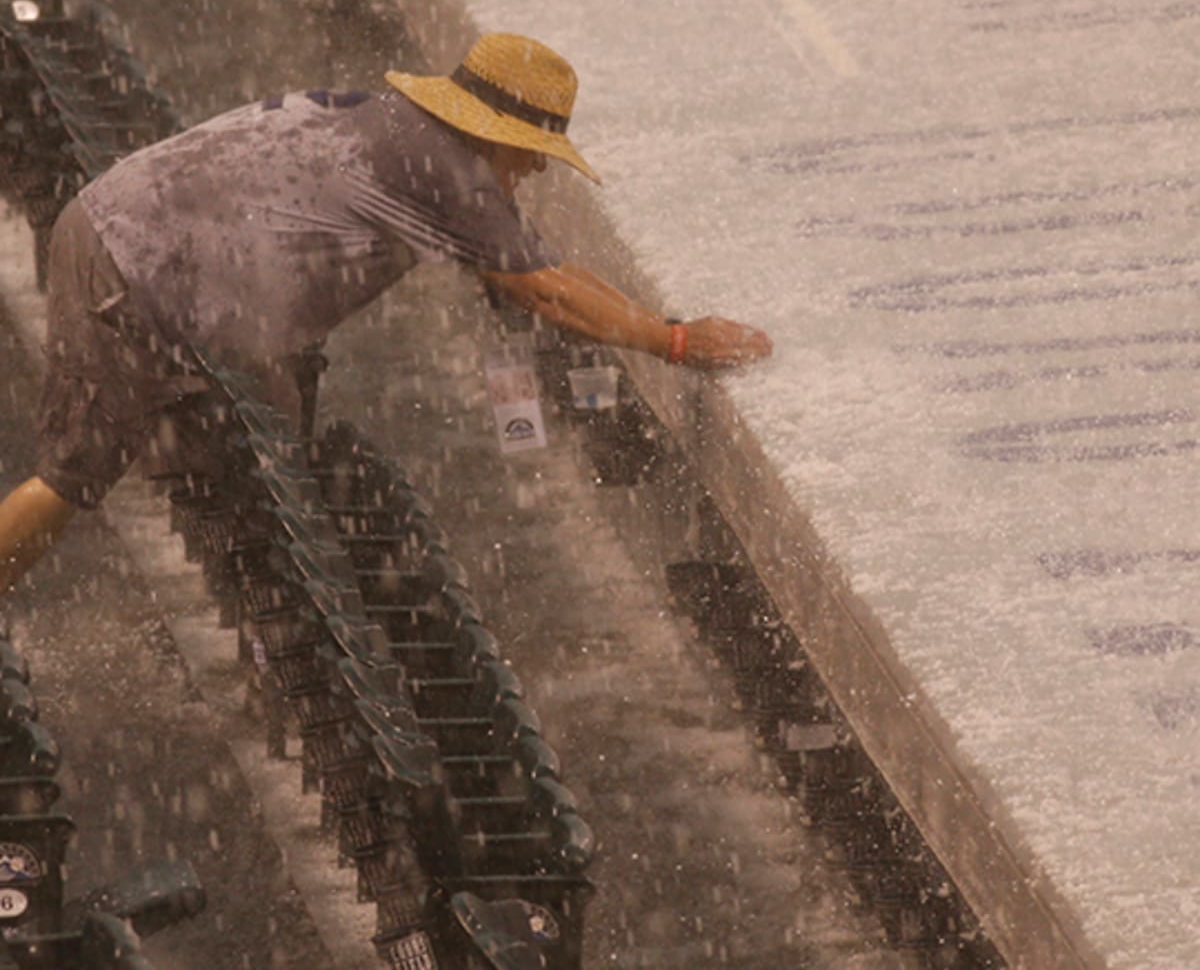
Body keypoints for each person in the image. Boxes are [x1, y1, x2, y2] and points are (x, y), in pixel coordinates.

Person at [0, 32, 772, 591]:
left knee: (264, 438)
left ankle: (265, 590)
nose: (537, 166)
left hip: (135, 239)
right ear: (489, 134)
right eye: (531, 148)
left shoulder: (403, 129)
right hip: (127, 269)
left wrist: (658, 321)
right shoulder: (443, 175)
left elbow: (547, 268)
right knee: (71, 478)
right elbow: (541, 291)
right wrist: (672, 341)